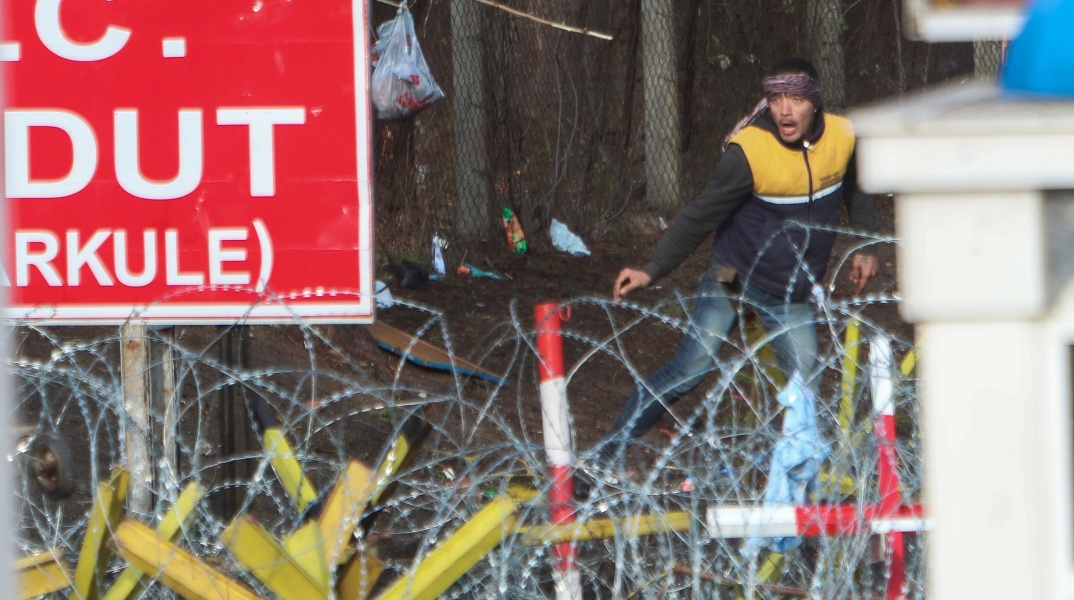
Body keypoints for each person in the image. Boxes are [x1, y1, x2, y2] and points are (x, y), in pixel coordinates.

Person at [594, 57, 879, 466]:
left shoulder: (842, 137)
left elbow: (858, 189)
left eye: (796, 99)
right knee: (691, 369)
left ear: (815, 102)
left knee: (805, 388)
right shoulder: (749, 151)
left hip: (791, 292)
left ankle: (797, 484)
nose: (784, 110)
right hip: (734, 275)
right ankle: (604, 457)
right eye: (776, 99)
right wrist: (651, 269)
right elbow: (700, 214)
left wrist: (867, 247)